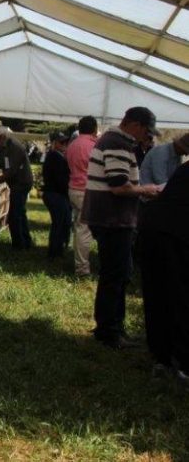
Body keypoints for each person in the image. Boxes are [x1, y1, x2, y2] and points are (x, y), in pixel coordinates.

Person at [81, 107, 163, 349]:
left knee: (118, 273)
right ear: (135, 125)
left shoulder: (115, 140)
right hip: (112, 219)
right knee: (115, 275)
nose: (147, 137)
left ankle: (113, 327)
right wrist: (148, 190)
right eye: (146, 132)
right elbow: (118, 185)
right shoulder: (117, 143)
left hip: (110, 218)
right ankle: (109, 332)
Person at [139, 158, 189, 381]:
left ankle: (162, 356)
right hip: (173, 236)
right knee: (178, 297)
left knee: (158, 295)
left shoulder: (185, 169)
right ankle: (179, 362)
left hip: (153, 230)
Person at [0, 125, 34, 250]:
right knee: (20, 212)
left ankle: (18, 245)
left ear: (1, 137)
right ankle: (26, 241)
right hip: (16, 183)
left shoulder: (14, 147)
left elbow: (11, 171)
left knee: (14, 215)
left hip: (21, 183)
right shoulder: (3, 147)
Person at [66, 116, 98, 277]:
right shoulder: (94, 146)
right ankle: (82, 269)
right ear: (94, 129)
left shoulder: (72, 145)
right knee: (84, 230)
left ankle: (79, 263)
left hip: (73, 189)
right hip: (86, 190)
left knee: (79, 228)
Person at [42, 132, 71, 260]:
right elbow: (60, 179)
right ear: (54, 143)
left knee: (61, 223)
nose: (65, 144)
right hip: (55, 194)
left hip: (56, 194)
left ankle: (57, 251)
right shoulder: (54, 156)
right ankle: (54, 253)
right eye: (61, 142)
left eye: (66, 142)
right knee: (59, 224)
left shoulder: (56, 156)